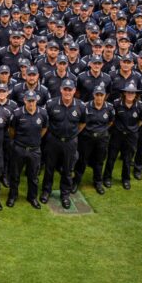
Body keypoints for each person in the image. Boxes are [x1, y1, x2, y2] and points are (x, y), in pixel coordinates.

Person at [41, 79, 85, 208]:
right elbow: (45, 121)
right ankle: (46, 191)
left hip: (70, 142)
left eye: (70, 90)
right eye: (65, 89)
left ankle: (65, 195)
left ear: (74, 91)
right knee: (49, 168)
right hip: (53, 140)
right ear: (61, 90)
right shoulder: (51, 104)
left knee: (67, 169)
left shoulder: (81, 106)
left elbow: (82, 123)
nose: (67, 92)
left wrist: (73, 134)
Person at [7, 90, 48, 209]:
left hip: (35, 150)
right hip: (19, 149)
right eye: (29, 101)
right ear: (24, 100)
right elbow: (11, 131)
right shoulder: (17, 113)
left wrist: (35, 140)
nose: (31, 103)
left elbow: (44, 129)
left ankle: (32, 197)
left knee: (33, 176)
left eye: (33, 100)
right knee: (15, 175)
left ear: (36, 100)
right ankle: (13, 196)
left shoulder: (43, 113)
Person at [103, 82, 142, 190]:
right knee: (111, 157)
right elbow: (112, 119)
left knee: (127, 159)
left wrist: (132, 129)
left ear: (136, 94)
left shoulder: (140, 105)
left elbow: (141, 121)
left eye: (133, 93)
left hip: (131, 136)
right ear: (124, 93)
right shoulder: (116, 103)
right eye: (128, 92)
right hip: (117, 135)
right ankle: (107, 178)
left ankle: (125, 179)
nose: (130, 94)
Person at [72, 84, 113, 194]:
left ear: (105, 95)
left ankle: (98, 182)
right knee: (82, 161)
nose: (99, 97)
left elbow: (110, 122)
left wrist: (101, 131)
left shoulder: (109, 107)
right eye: (97, 95)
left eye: (101, 95)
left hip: (101, 138)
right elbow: (81, 122)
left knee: (99, 161)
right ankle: (76, 181)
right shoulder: (85, 106)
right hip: (87, 138)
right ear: (93, 95)